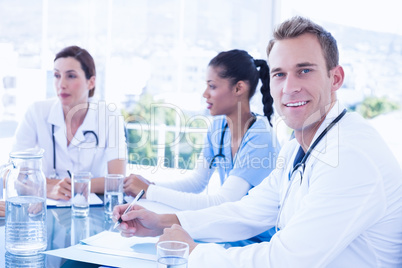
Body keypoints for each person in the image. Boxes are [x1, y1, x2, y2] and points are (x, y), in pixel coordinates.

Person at [113, 16, 402, 267]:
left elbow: (285, 261)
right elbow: (247, 211)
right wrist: (161, 222)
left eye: (305, 70)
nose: (289, 87)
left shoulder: (350, 155)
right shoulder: (296, 148)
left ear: (335, 78)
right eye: (279, 74)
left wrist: (194, 254)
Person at [123, 49, 279, 213]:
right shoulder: (218, 126)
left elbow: (222, 202)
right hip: (232, 228)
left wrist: (151, 192)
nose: (205, 94)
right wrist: (149, 186)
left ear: (239, 88)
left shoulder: (260, 137)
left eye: (212, 86)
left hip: (257, 237)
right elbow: (197, 182)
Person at [11, 45, 127, 201]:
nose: (61, 84)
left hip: (91, 209)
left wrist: (69, 185)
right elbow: (13, 175)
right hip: (45, 206)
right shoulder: (36, 112)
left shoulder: (109, 116)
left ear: (91, 82)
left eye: (71, 76)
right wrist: (47, 189)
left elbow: (117, 180)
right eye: (57, 75)